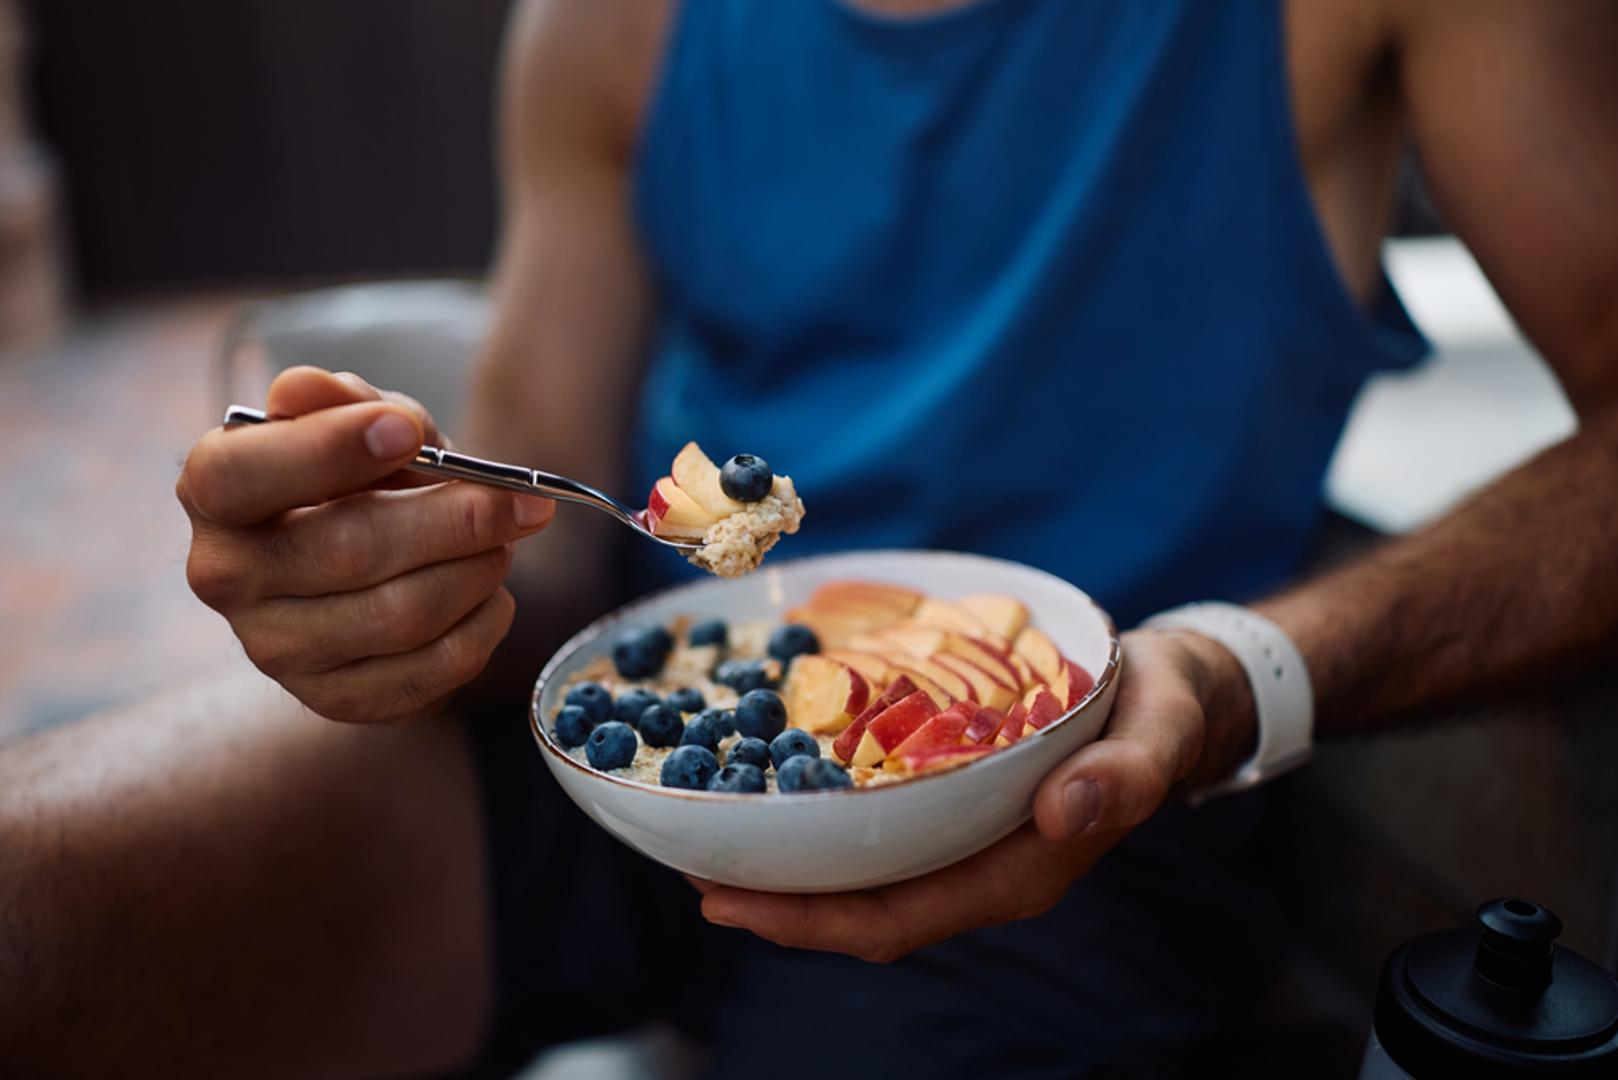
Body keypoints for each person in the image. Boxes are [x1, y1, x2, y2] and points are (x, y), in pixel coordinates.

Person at [3, 0, 1616, 1075]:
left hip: (1067, 822)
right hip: (642, 752)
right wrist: (412, 573)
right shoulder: (606, 24)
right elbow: (552, 538)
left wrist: (1237, 671)